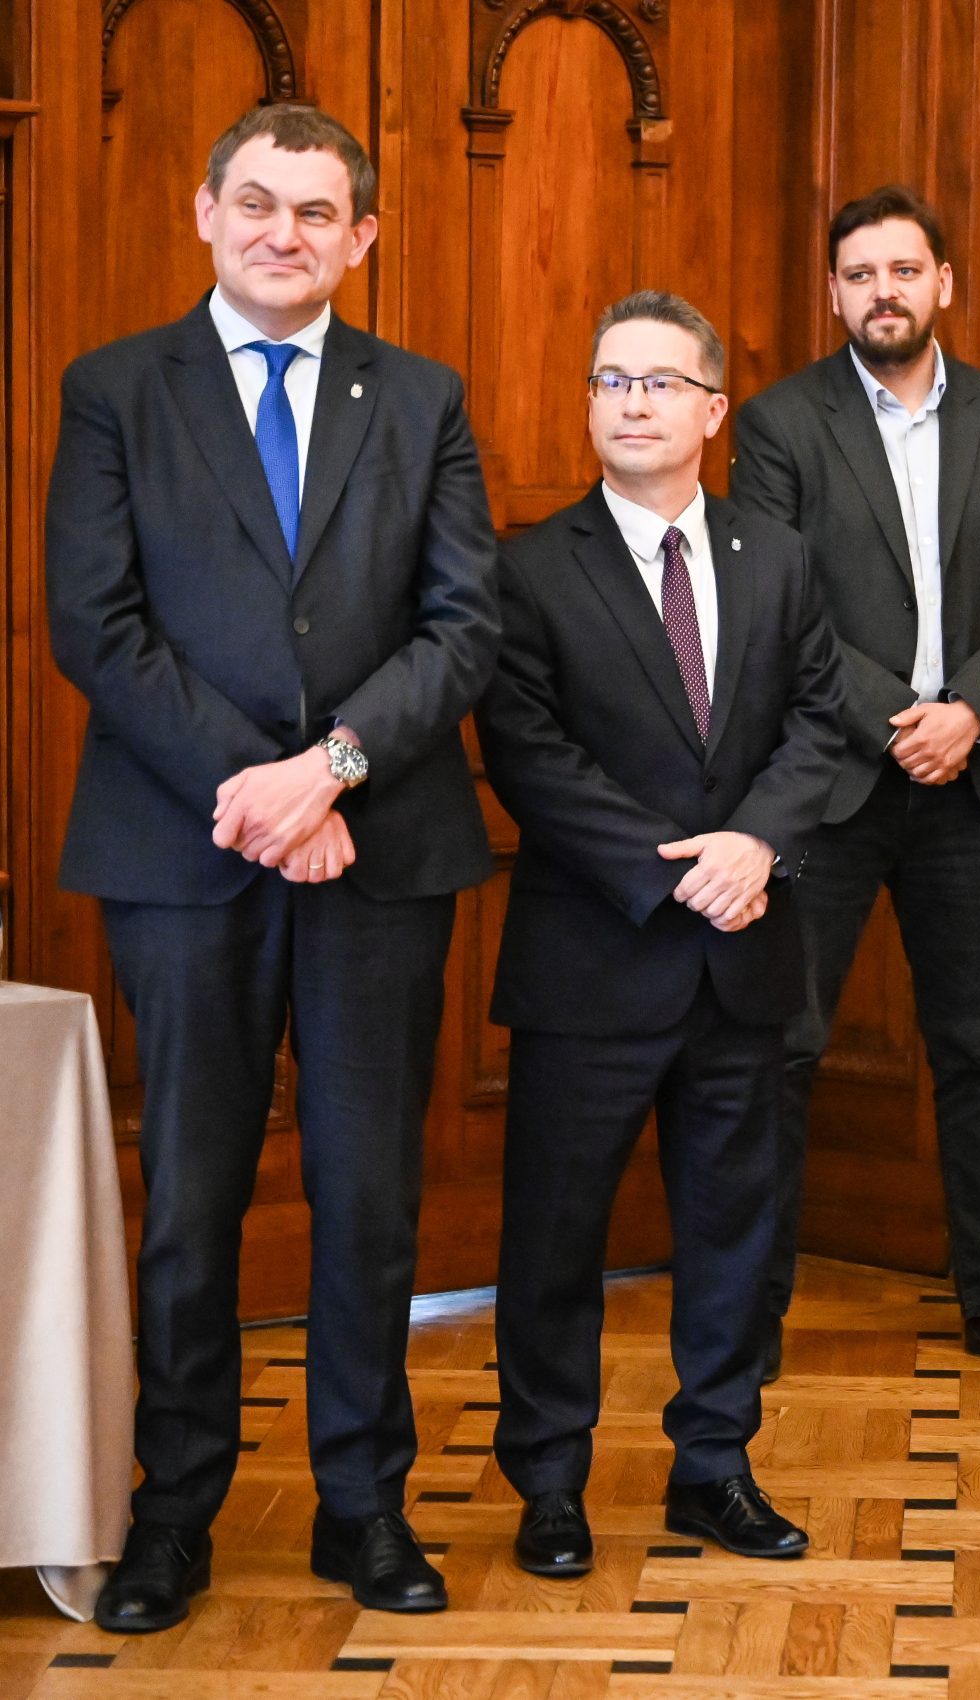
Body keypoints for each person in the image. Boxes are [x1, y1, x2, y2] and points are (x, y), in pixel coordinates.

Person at [46, 105, 500, 1628]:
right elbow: (95, 620)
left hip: (381, 846)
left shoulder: (422, 397)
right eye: (257, 202)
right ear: (206, 212)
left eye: (317, 212)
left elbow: (463, 626)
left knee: (369, 1195)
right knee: (192, 1195)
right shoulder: (116, 388)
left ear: (360, 237)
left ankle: (364, 1506)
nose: (283, 232)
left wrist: (331, 770)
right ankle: (173, 1512)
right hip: (185, 852)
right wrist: (256, 791)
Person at [477, 292, 848, 1573]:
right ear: (589, 403)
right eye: (611, 380)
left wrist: (756, 846)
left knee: (736, 1232)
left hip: (745, 953)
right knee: (554, 1239)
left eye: (660, 381)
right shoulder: (529, 566)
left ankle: (715, 1466)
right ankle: (549, 1480)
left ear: (713, 409)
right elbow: (528, 751)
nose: (632, 401)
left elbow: (819, 720)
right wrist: (676, 872)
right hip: (592, 959)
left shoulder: (778, 557)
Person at [730, 186, 980, 1383]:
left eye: (903, 269)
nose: (883, 291)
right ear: (833, 293)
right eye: (860, 273)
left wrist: (970, 711)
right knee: (787, 1050)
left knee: (977, 1050)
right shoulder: (781, 423)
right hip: (830, 783)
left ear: (944, 283)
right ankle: (750, 1316)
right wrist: (899, 724)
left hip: (976, 783)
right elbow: (778, 605)